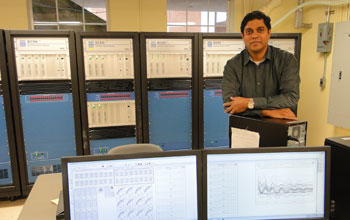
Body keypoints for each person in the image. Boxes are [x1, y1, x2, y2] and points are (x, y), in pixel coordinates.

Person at [222, 11, 300, 120]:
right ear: (243, 36)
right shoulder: (233, 65)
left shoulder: (287, 60)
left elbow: (290, 99)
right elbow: (230, 104)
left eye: (260, 30)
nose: (254, 35)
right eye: (249, 31)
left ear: (269, 32)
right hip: (244, 131)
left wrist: (249, 103)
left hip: (278, 130)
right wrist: (266, 112)